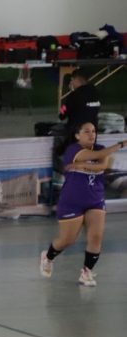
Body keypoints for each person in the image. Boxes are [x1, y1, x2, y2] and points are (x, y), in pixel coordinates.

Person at [41, 121, 127, 286]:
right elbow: (98, 158)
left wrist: (82, 165)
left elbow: (103, 165)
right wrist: (121, 144)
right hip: (72, 201)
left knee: (96, 237)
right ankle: (48, 256)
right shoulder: (73, 150)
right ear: (77, 135)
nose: (92, 134)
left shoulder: (100, 148)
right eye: (87, 131)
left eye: (94, 131)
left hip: (95, 199)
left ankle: (86, 272)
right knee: (68, 239)